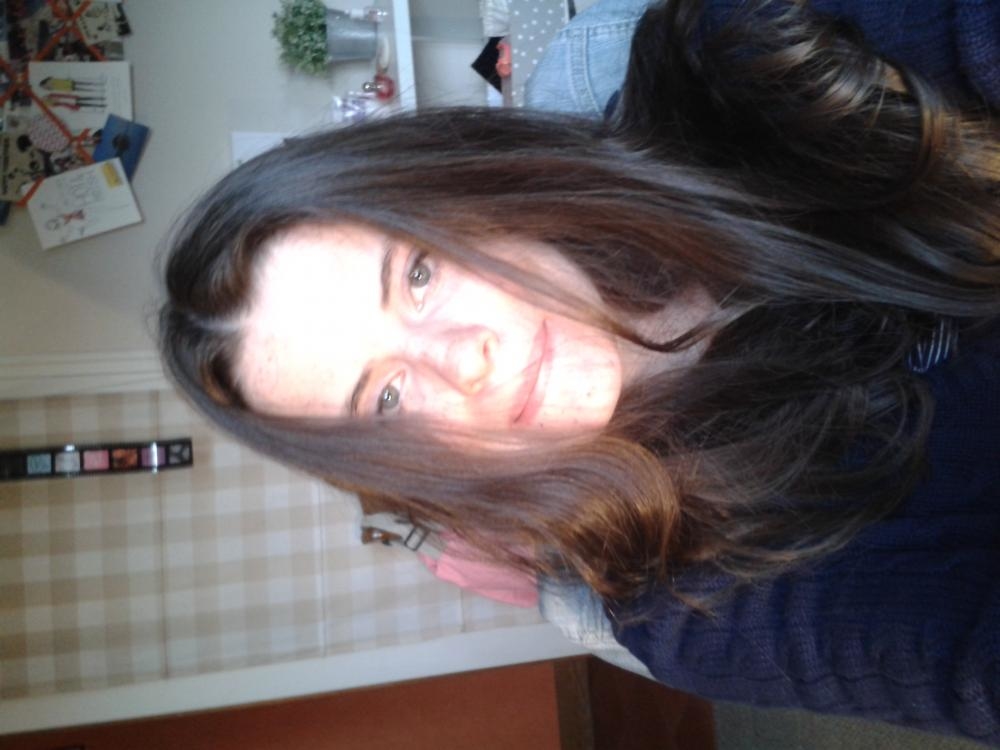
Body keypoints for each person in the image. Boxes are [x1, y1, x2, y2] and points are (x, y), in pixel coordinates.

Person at [159, 0, 1000, 742]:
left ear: (469, 194)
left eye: (418, 274)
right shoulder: (699, 608)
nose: (462, 357)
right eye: (387, 395)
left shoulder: (728, 65)